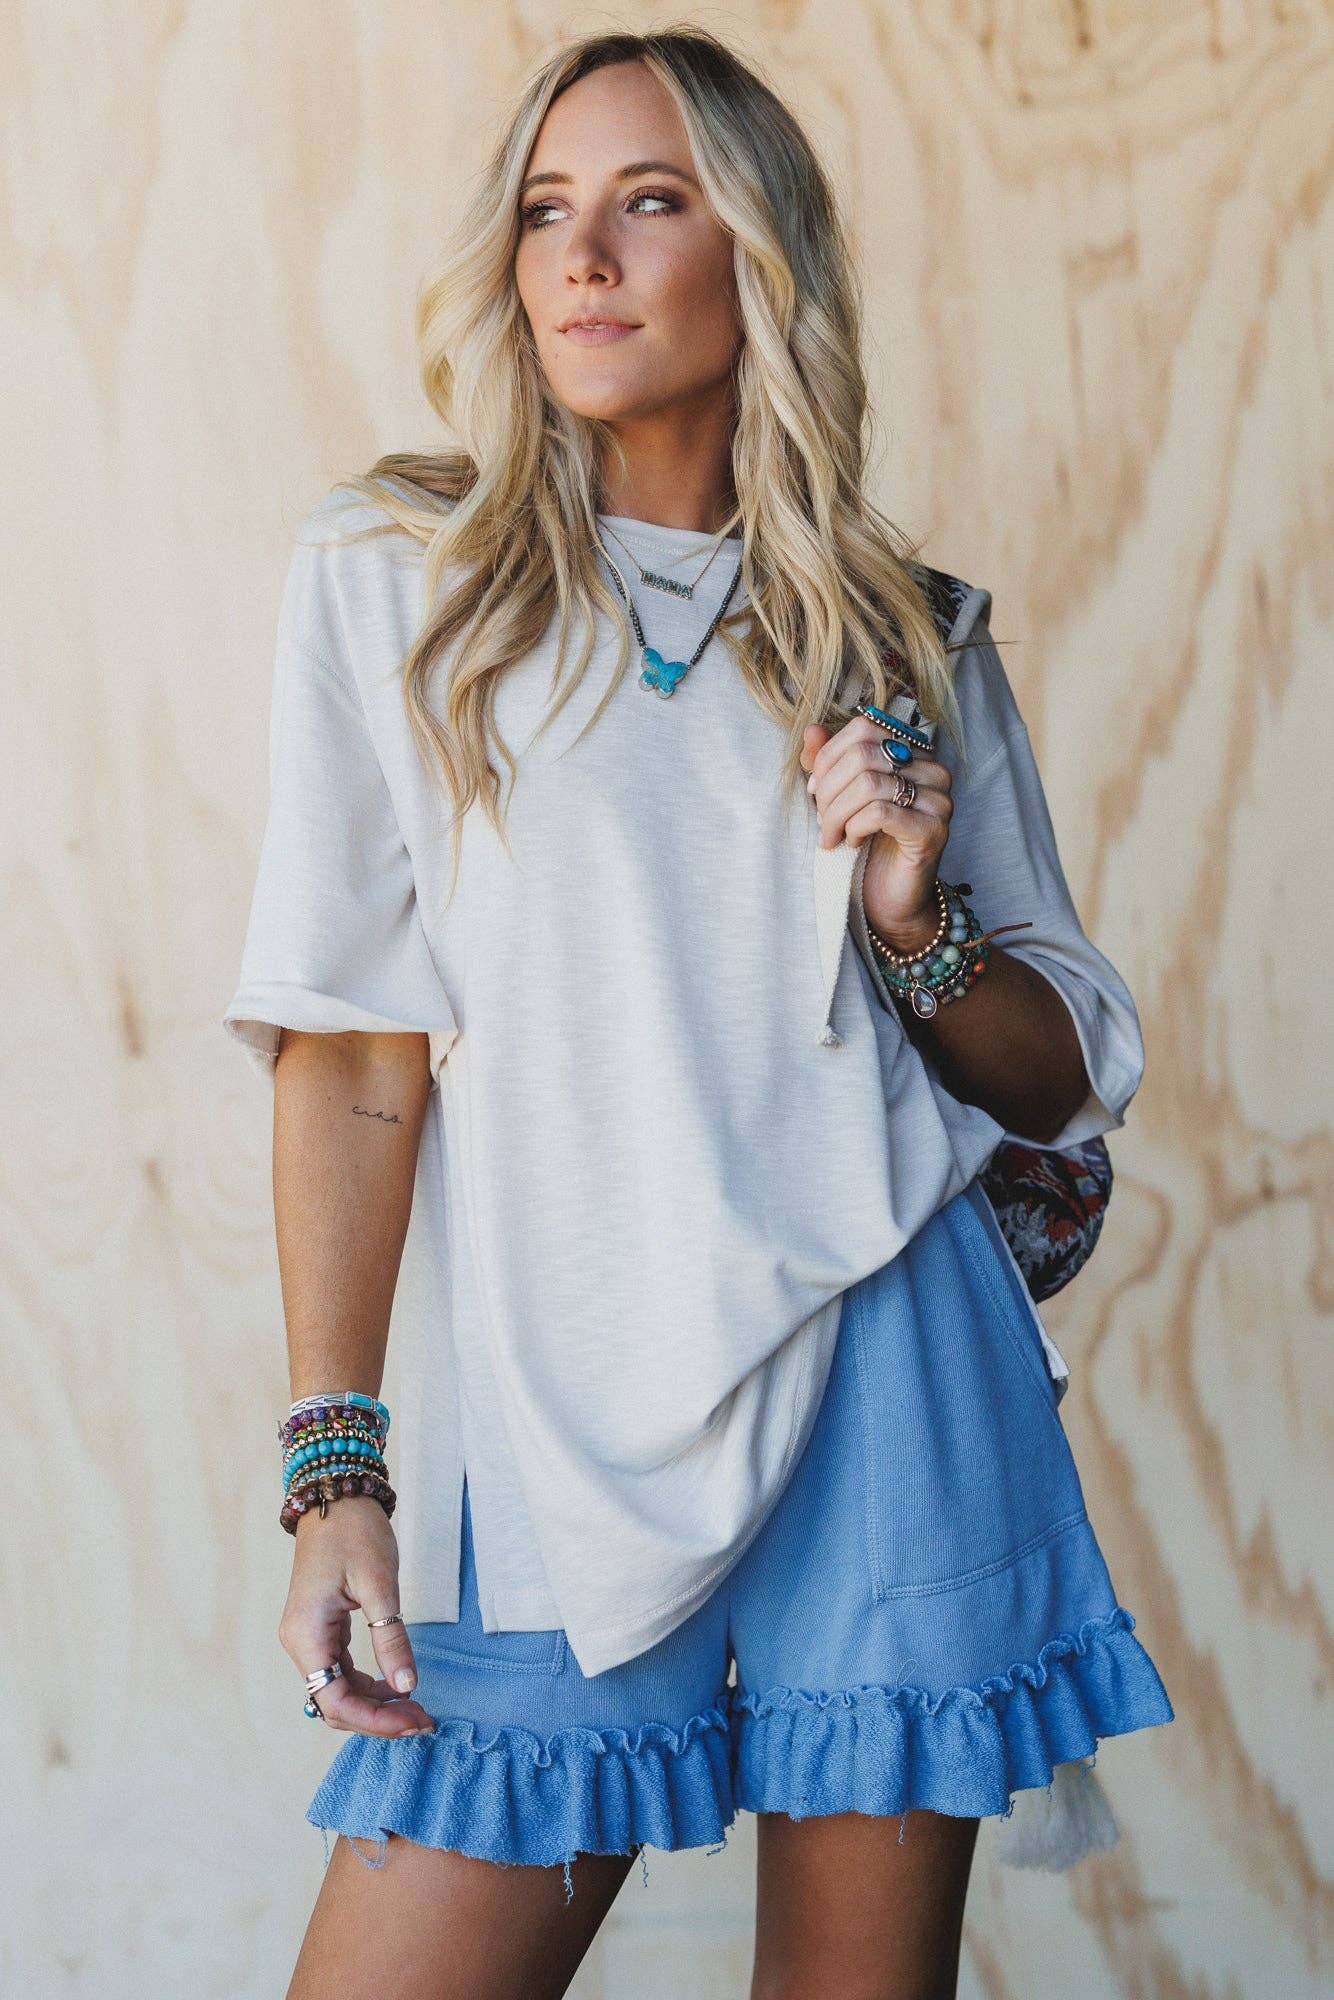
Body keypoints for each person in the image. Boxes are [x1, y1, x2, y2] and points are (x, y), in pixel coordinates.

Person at [224, 27, 1174, 2000]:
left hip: (890, 1375)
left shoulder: (902, 632)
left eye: (649, 202)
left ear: (757, 253)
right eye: (545, 211)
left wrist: (913, 922)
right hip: (560, 1412)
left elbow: (1055, 1079)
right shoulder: (402, 581)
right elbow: (354, 1046)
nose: (582, 258)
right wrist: (338, 1472)